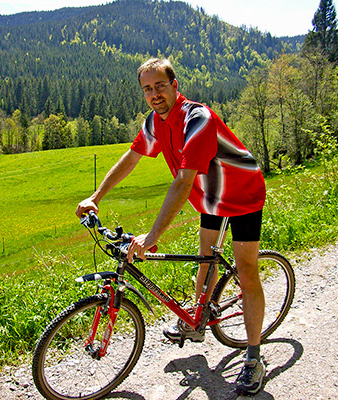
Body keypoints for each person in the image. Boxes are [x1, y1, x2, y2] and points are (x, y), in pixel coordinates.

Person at [75, 58, 267, 396]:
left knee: (247, 271)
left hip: (242, 193)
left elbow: (182, 181)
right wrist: (96, 196)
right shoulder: (155, 121)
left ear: (175, 85)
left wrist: (152, 236)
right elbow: (131, 158)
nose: (154, 94)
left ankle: (253, 358)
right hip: (210, 198)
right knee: (205, 257)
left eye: (160, 85)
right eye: (147, 89)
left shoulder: (198, 118)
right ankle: (197, 320)